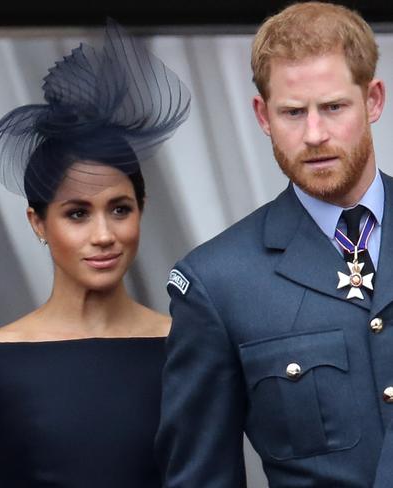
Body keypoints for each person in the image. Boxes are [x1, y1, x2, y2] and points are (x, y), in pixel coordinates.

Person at [156, 2, 393, 487]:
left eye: (333, 107)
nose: (314, 134)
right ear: (263, 115)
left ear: (373, 100)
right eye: (292, 112)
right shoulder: (217, 284)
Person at [0, 21, 190, 487]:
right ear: (37, 223)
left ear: (141, 209)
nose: (103, 234)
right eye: (77, 214)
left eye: (119, 209)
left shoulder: (189, 349)